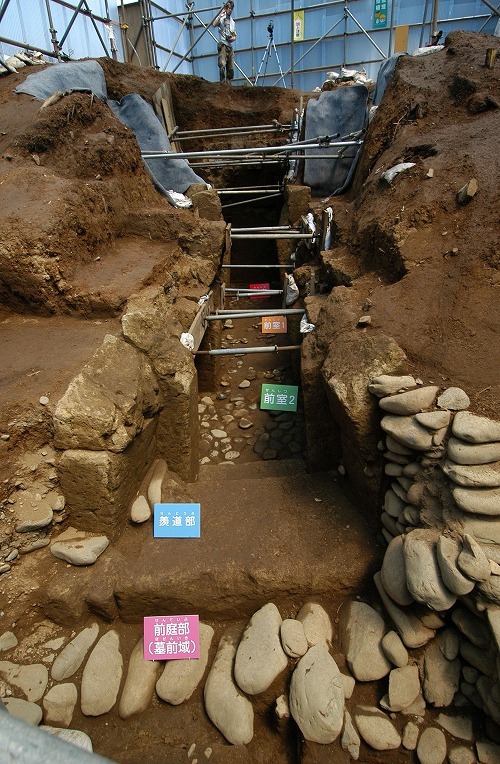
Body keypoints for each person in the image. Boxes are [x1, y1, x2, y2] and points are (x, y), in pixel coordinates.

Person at [212, 2, 236, 84]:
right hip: (222, 44)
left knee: (231, 67)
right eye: (228, 8)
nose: (230, 10)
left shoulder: (232, 22)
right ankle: (222, 83)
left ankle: (229, 84)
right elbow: (214, 24)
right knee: (222, 64)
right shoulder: (221, 18)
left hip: (229, 45)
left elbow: (234, 35)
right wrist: (220, 13)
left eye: (231, 8)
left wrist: (232, 38)